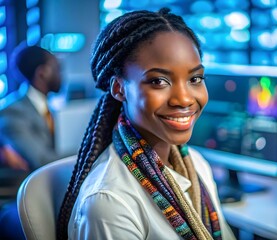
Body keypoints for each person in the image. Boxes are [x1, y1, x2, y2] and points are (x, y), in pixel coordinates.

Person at [57, 8, 236, 240]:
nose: (184, 99)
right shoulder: (109, 203)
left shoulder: (197, 166)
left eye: (195, 79)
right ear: (119, 89)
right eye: (159, 81)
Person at [0, 44, 63, 171]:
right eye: (57, 68)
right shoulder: (13, 112)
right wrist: (90, 155)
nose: (60, 75)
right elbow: (41, 160)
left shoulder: (47, 108)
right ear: (42, 73)